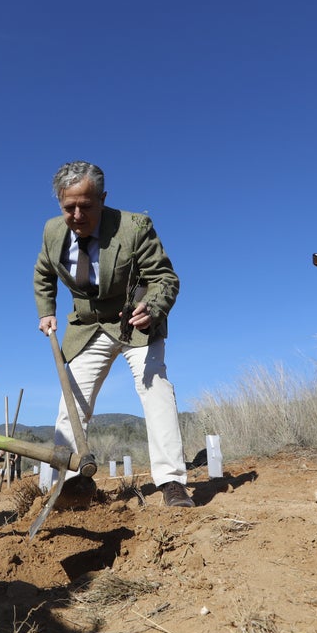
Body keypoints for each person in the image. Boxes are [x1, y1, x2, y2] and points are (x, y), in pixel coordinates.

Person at [33, 161, 193, 509]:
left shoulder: (134, 227)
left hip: (135, 321)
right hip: (87, 327)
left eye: (86, 206)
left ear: (102, 199)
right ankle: (71, 485)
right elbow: (44, 273)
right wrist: (46, 310)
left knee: (156, 388)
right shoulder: (51, 232)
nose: (76, 215)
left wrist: (153, 307)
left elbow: (166, 278)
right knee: (71, 403)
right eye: (68, 207)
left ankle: (171, 482)